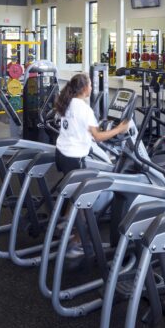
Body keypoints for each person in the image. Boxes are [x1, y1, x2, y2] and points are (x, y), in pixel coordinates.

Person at [54, 73, 130, 256]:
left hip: (61, 154)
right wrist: (120, 129)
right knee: (84, 200)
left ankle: (64, 222)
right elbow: (98, 136)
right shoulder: (83, 109)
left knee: (73, 192)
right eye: (90, 85)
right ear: (84, 88)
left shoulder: (67, 102)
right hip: (74, 158)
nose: (92, 88)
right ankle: (75, 243)